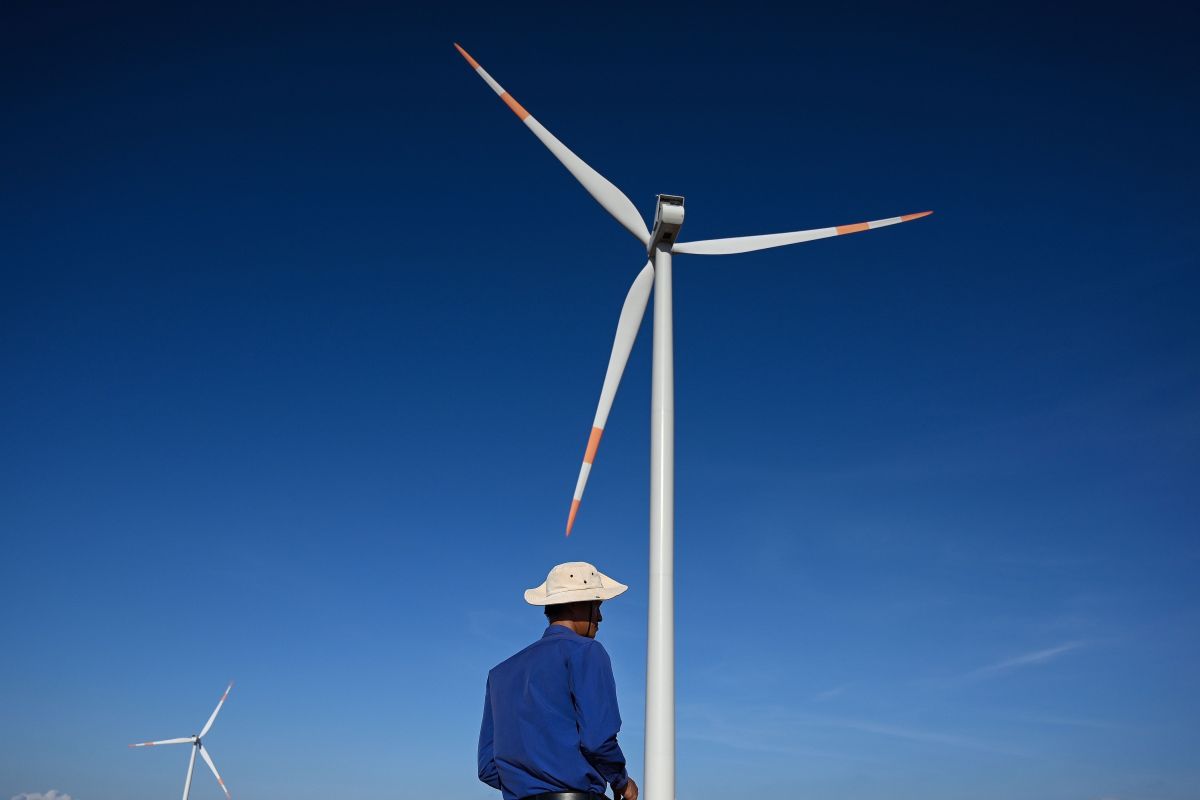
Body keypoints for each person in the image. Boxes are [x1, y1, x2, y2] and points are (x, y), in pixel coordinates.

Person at [478, 561, 639, 800]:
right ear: (576, 605)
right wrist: (621, 781)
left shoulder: (499, 673)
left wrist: (530, 785)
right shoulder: (586, 652)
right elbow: (597, 740)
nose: (601, 617)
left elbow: (488, 768)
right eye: (597, 605)